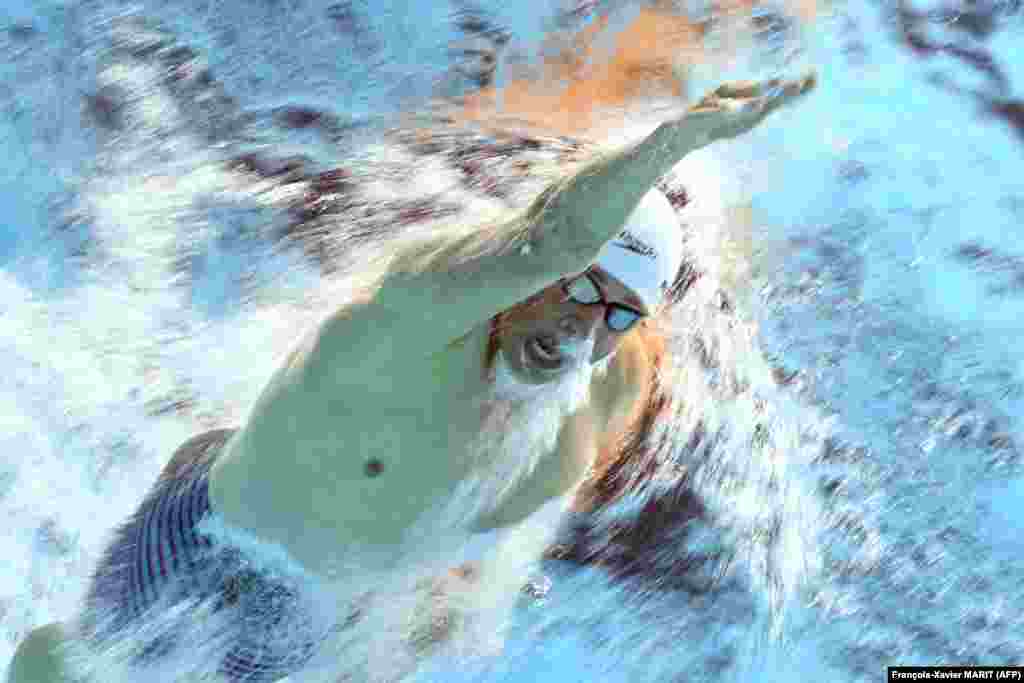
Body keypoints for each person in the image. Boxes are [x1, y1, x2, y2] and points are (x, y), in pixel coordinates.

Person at [6, 74, 815, 683]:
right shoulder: (411, 319)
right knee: (70, 668)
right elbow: (549, 239)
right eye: (575, 283)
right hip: (206, 544)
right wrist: (673, 142)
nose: (579, 324)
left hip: (303, 620)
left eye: (614, 311)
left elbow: (450, 578)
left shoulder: (576, 415)